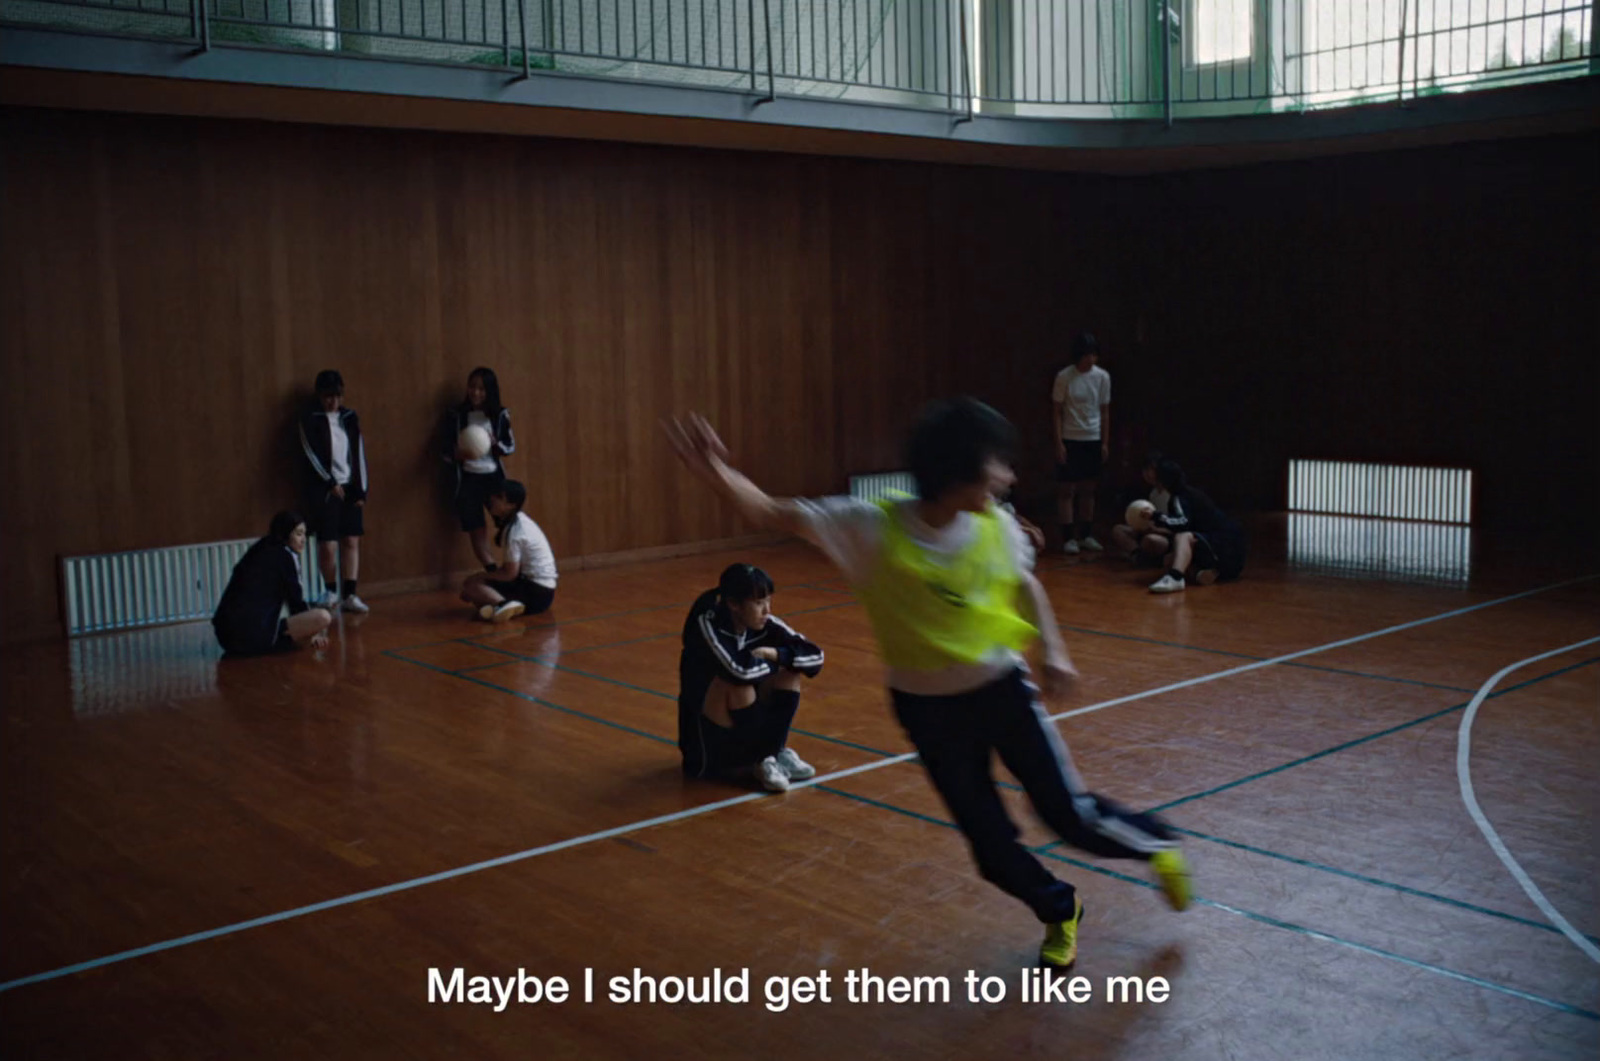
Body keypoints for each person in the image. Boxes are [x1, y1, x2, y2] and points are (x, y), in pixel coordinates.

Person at [666, 398, 1189, 969]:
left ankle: (1159, 846)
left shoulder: (998, 526)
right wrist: (715, 473)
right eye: (999, 463)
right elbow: (771, 511)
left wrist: (1054, 651)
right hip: (927, 711)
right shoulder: (868, 527)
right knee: (991, 850)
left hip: (1003, 694)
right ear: (959, 469)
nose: (1010, 476)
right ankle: (1059, 908)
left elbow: (1024, 586)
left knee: (1068, 816)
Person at [678, 563, 826, 792]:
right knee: (739, 684)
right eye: (758, 603)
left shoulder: (765, 623)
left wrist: (776, 654)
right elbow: (739, 671)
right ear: (734, 604)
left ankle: (771, 754)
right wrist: (777, 662)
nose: (767, 610)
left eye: (768, 600)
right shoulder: (706, 624)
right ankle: (764, 757)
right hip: (706, 744)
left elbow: (816, 657)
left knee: (789, 674)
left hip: (746, 731)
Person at [298, 370, 370, 613]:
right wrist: (330, 483)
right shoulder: (310, 419)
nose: (334, 402)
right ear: (320, 395)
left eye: (337, 396)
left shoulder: (349, 417)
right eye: (329, 396)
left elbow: (358, 453)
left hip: (349, 485)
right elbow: (310, 454)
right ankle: (330, 591)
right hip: (324, 490)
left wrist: (361, 490)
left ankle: (350, 593)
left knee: (351, 540)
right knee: (328, 544)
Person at [212, 511, 333, 656]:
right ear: (286, 532)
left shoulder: (260, 547)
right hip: (251, 637)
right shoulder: (286, 556)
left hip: (224, 636)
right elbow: (296, 603)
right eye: (299, 534)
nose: (303, 540)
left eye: (304, 534)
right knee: (323, 617)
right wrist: (312, 633)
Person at [441, 367, 516, 570]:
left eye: (481, 389)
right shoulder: (456, 415)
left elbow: (509, 446)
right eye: (472, 387)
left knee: (509, 524)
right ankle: (493, 572)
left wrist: (494, 444)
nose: (476, 392)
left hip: (493, 478)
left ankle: (515, 568)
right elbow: (444, 450)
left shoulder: (500, 415)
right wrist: (456, 455)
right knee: (477, 530)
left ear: (490, 391)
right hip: (468, 480)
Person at [459, 480, 557, 622]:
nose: (492, 499)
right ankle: (497, 608)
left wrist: (478, 577)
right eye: (494, 495)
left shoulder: (516, 531)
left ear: (511, 505)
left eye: (499, 497)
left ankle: (503, 605)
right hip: (543, 594)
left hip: (536, 594)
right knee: (477, 592)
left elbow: (509, 574)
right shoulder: (519, 522)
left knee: (472, 584)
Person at [1147, 458, 1247, 594]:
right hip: (1226, 551)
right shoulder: (1188, 494)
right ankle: (1204, 573)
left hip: (1225, 549)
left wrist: (1156, 516)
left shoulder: (1181, 497)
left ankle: (1176, 577)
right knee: (1170, 559)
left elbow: (1183, 522)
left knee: (1183, 538)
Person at [1051, 332, 1112, 555]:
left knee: (1089, 489)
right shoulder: (1064, 377)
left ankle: (1086, 534)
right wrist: (1059, 443)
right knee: (1067, 490)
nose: (1091, 360)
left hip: (1092, 438)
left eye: (1094, 355)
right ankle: (1068, 537)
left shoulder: (1103, 377)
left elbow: (1105, 411)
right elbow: (1056, 412)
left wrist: (1104, 442)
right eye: (1087, 355)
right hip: (1070, 437)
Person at [1112, 450, 1174, 565]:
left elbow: (1179, 527)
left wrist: (1157, 530)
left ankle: (1156, 559)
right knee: (1119, 530)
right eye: (1145, 470)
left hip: (1166, 537)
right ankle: (1138, 555)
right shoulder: (1153, 493)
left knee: (1150, 540)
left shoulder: (1172, 494)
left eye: (1151, 470)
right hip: (1150, 531)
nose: (1147, 474)